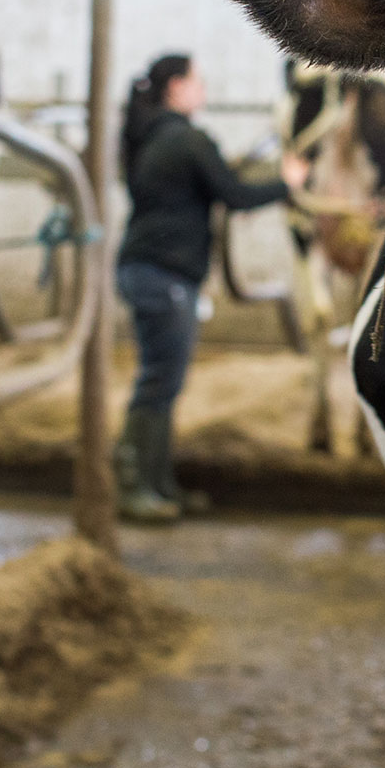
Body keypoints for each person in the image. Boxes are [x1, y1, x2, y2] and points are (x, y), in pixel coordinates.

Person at [115, 53, 309, 521]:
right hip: (165, 276)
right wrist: (287, 182)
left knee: (162, 381)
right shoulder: (188, 139)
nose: (204, 87)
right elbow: (236, 195)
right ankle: (135, 488)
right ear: (177, 88)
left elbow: (217, 182)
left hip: (150, 271)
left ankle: (160, 485)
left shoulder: (156, 138)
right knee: (158, 383)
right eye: (197, 80)